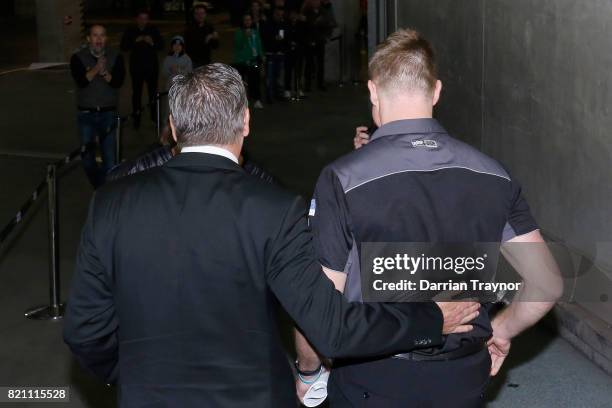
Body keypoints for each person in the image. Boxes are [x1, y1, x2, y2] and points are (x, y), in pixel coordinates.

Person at [63, 63, 480, 407]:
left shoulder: (111, 203)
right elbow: (331, 327)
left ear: (172, 126)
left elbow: (84, 330)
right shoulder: (275, 209)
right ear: (246, 121)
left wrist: (134, 372)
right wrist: (432, 317)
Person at [295, 29, 562, 406]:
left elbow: (321, 306)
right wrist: (500, 328)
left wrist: (309, 369)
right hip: (463, 375)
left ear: (372, 91)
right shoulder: (494, 174)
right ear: (436, 91)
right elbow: (547, 284)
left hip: (375, 377)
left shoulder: (342, 179)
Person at [70, 24, 125, 188]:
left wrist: (105, 73)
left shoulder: (116, 56)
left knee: (110, 160)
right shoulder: (78, 58)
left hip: (108, 114)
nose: (99, 40)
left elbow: (117, 82)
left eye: (102, 36)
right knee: (87, 160)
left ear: (106, 38)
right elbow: (81, 81)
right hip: (86, 114)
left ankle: (105, 193)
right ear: (88, 39)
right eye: (95, 35)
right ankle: (100, 187)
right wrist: (96, 68)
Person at [120, 9, 163, 130]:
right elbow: (123, 47)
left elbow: (161, 46)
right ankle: (136, 118)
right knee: (136, 94)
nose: (143, 21)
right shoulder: (130, 30)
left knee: (153, 94)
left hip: (152, 68)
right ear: (136, 19)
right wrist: (134, 41)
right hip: (136, 68)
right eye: (141, 18)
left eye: (145, 18)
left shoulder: (153, 29)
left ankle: (155, 118)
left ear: (148, 19)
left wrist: (152, 42)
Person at [302, 0, 336, 92]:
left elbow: (329, 24)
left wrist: (325, 36)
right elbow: (305, 26)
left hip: (320, 40)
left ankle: (320, 83)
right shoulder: (306, 11)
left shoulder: (323, 12)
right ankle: (307, 84)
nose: (315, 2)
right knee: (309, 63)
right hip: (309, 41)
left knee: (320, 63)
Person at [234, 14, 265, 108]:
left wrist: (262, 55)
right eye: (245, 20)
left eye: (249, 20)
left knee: (255, 80)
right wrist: (244, 37)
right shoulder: (238, 32)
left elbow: (259, 44)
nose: (247, 22)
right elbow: (238, 46)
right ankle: (242, 102)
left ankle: (257, 99)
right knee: (242, 82)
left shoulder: (255, 32)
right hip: (241, 61)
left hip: (253, 61)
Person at [261, 7, 287, 102]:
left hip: (279, 53)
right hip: (270, 53)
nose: (280, 17)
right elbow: (265, 38)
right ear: (274, 14)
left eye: (281, 15)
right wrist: (274, 38)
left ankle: (277, 93)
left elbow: (283, 37)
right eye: (278, 15)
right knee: (270, 76)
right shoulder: (267, 24)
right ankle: (269, 95)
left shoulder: (282, 24)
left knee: (277, 75)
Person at [184, 3, 219, 68]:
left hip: (206, 61)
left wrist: (215, 38)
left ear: (205, 14)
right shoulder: (189, 28)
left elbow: (215, 46)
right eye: (197, 14)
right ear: (194, 15)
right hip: (193, 62)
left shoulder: (209, 27)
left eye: (202, 13)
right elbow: (190, 46)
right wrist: (206, 39)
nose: (200, 16)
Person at [284, 8, 307, 98]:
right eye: (292, 15)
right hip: (289, 51)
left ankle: (298, 89)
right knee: (288, 71)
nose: (293, 17)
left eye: (295, 15)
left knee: (299, 72)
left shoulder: (301, 25)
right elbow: (284, 36)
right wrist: (290, 43)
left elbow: (304, 36)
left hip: (298, 51)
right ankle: (287, 89)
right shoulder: (286, 24)